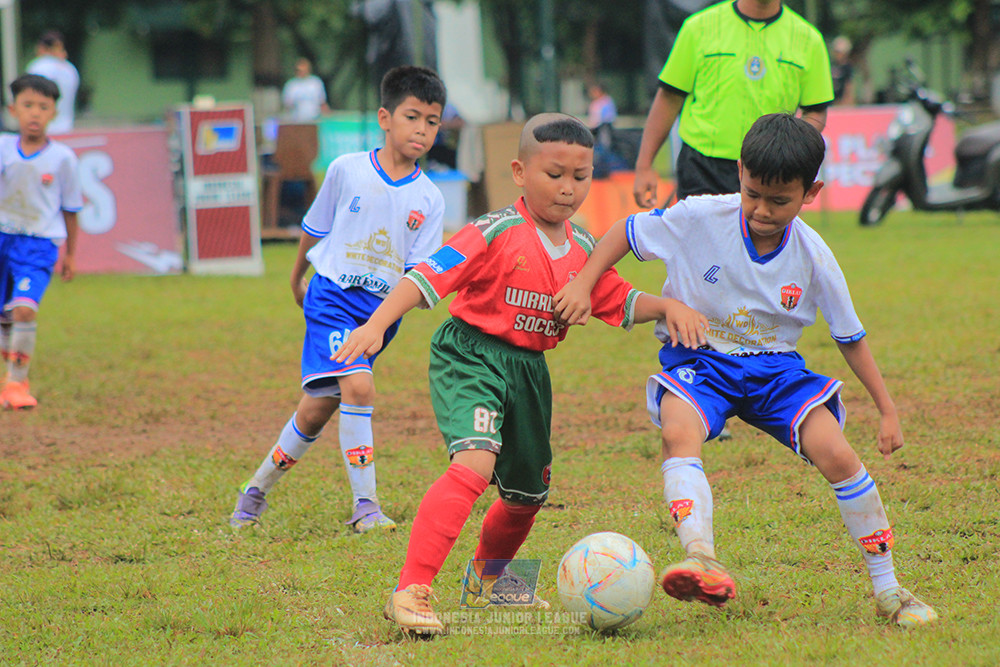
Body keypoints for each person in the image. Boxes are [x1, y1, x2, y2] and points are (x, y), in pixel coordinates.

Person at [554, 113, 938, 629]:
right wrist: (582, 282)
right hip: (700, 359)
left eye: (779, 201)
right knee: (677, 430)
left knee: (840, 457)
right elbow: (626, 231)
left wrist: (887, 409)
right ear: (739, 172)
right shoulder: (699, 217)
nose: (761, 209)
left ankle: (890, 591)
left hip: (776, 370)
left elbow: (851, 338)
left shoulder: (814, 256)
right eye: (753, 192)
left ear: (811, 193)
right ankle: (700, 556)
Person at [334, 113, 704, 636]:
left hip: (529, 370)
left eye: (581, 176)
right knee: (474, 463)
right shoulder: (494, 231)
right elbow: (424, 277)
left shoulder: (582, 246)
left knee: (527, 495)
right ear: (519, 171)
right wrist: (375, 326)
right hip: (472, 355)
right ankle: (411, 589)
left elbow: (618, 299)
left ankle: (490, 586)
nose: (568, 188)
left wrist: (666, 306)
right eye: (555, 174)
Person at [229, 65, 447, 533]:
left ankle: (255, 491)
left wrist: (399, 311)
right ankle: (365, 507)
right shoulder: (346, 169)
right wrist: (295, 278)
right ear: (385, 118)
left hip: (380, 313)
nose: (422, 130)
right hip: (331, 296)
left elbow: (419, 273)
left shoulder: (429, 198)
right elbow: (314, 230)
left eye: (432, 121)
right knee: (360, 387)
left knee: (316, 410)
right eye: (413, 117)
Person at [633, 0, 834, 208]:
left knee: (757, 240)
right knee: (703, 240)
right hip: (703, 167)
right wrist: (644, 166)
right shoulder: (698, 27)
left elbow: (816, 111)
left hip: (770, 171)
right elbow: (669, 98)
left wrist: (788, 153)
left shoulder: (809, 39)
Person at [0, 74, 82, 410]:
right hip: (3, 237)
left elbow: (71, 208)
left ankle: (16, 384)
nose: (35, 113)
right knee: (5, 316)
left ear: (54, 114)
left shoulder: (63, 158)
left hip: (38, 245)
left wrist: (72, 255)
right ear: (13, 109)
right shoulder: (3, 147)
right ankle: (11, 377)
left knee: (23, 308)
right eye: (28, 105)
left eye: (43, 107)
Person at [25, 30, 80, 135]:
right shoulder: (69, 69)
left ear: (41, 47)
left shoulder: (38, 66)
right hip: (67, 128)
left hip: (42, 130)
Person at [281, 58, 330, 122]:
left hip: (314, 119)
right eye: (299, 70)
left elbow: (322, 102)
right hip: (296, 120)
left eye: (303, 70)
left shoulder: (316, 83)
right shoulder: (291, 85)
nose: (301, 72)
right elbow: (287, 105)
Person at [425, 102, 464, 170]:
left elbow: (462, 122)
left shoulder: (453, 105)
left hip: (452, 147)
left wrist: (446, 125)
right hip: (432, 148)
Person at [830, 36, 856, 105]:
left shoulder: (847, 67)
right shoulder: (831, 65)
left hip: (841, 102)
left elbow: (849, 86)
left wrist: (846, 102)